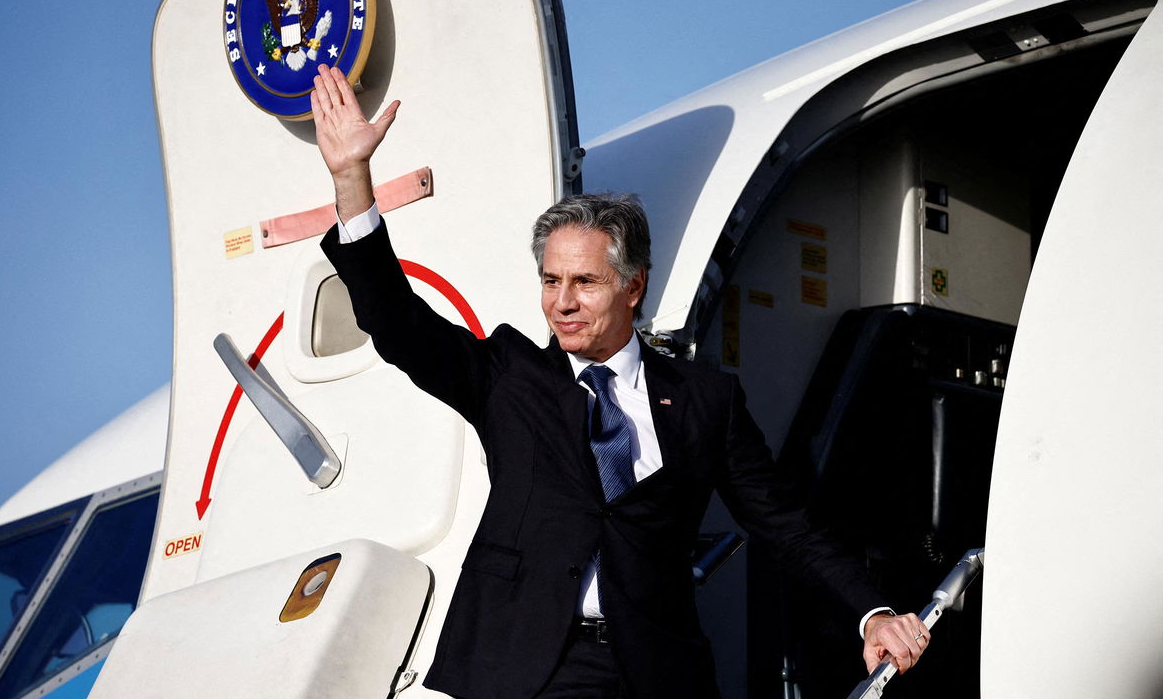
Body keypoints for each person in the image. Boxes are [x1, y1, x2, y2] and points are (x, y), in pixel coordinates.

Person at [311, 64, 929, 698]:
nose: (563, 303)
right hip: (520, 667)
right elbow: (394, 320)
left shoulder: (704, 402)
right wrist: (351, 179)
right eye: (552, 281)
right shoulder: (508, 377)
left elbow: (786, 524)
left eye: (585, 282)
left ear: (633, 286)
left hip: (649, 672)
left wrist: (871, 611)